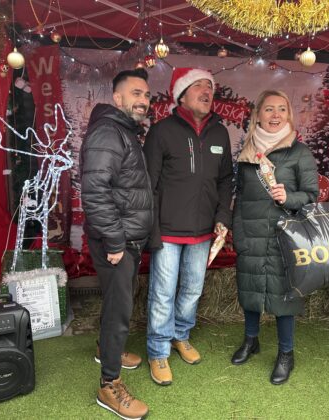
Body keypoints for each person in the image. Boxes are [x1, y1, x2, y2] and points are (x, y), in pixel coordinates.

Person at [143, 68, 233, 386]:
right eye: (199, 86)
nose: (207, 91)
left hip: (204, 231)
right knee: (163, 293)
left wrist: (222, 216)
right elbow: (148, 184)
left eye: (210, 87)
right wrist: (151, 229)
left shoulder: (220, 134)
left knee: (193, 289)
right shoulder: (161, 132)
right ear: (181, 95)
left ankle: (180, 335)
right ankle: (158, 350)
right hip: (167, 230)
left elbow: (226, 180)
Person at [231, 90, 319, 385]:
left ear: (289, 115)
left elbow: (311, 195)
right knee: (250, 292)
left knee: (284, 298)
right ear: (258, 114)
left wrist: (288, 198)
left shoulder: (299, 152)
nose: (276, 115)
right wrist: (239, 233)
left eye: (282, 109)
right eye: (269, 109)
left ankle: (286, 353)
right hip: (252, 234)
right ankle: (251, 340)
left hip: (285, 237)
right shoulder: (247, 153)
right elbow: (240, 198)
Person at [80, 68, 153, 419]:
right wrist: (114, 241)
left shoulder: (123, 131)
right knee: (120, 310)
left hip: (125, 238)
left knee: (115, 302)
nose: (143, 100)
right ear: (117, 97)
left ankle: (106, 348)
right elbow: (95, 191)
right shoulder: (109, 132)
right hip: (117, 240)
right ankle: (109, 384)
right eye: (136, 93)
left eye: (147, 95)